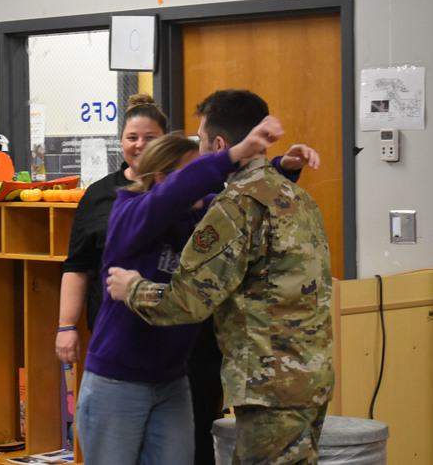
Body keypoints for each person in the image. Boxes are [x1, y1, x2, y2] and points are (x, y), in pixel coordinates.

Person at [107, 89, 334, 465]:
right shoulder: (296, 196)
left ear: (219, 143)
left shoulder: (235, 207)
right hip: (311, 377)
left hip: (269, 384)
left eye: (200, 141)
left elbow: (188, 301)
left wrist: (133, 289)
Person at [56, 93, 167, 364]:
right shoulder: (98, 195)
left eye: (150, 138)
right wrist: (66, 326)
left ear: (165, 141)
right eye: (132, 138)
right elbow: (78, 266)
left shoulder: (185, 190)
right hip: (114, 333)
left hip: (173, 328)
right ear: (122, 142)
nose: (140, 145)